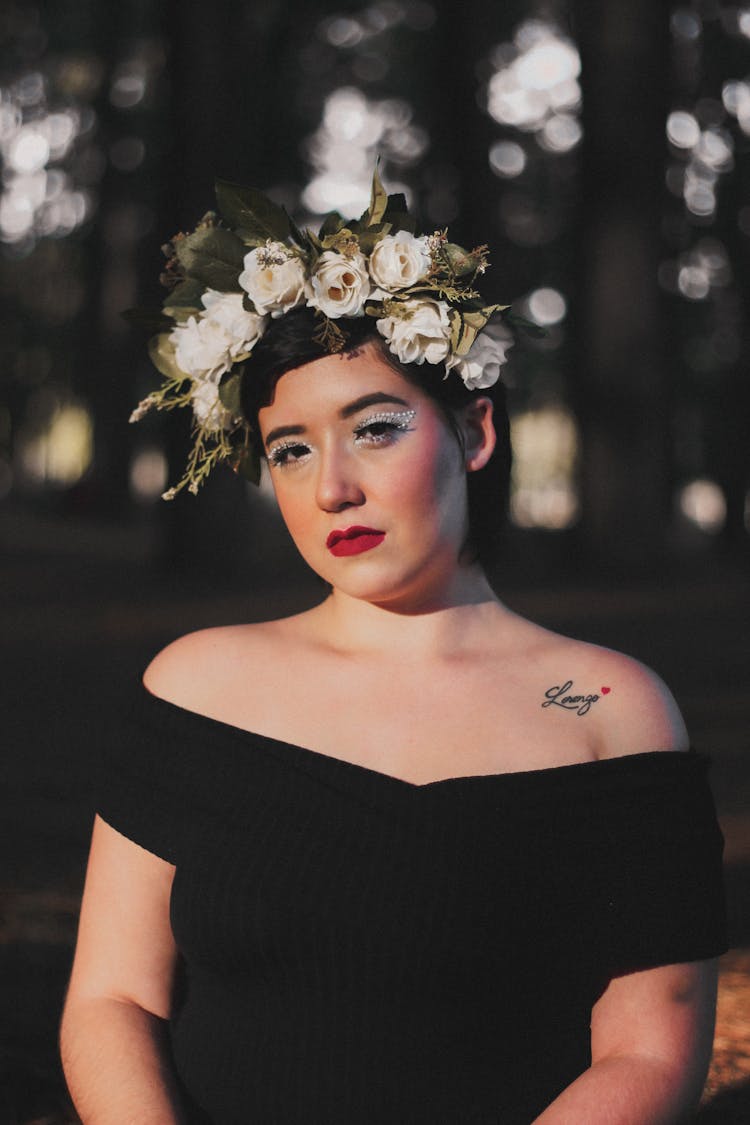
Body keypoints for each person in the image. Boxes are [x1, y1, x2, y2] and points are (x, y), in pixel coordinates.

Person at [60, 173, 727, 1124]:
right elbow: (111, 998)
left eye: (375, 429)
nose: (333, 486)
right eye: (290, 448)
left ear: (474, 431)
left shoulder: (609, 710)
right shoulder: (195, 686)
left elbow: (651, 1050)